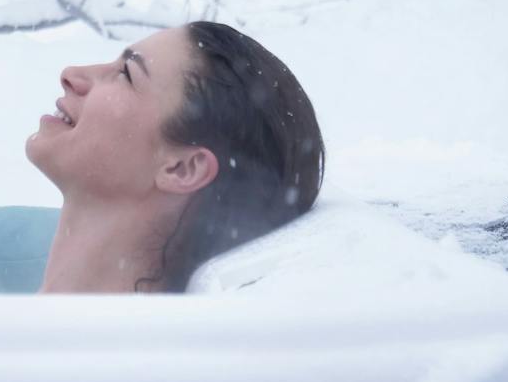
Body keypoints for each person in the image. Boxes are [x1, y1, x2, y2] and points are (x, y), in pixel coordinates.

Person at [25, 21, 324, 293]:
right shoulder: (44, 339)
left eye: (125, 74)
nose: (71, 75)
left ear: (182, 168)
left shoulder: (114, 350)